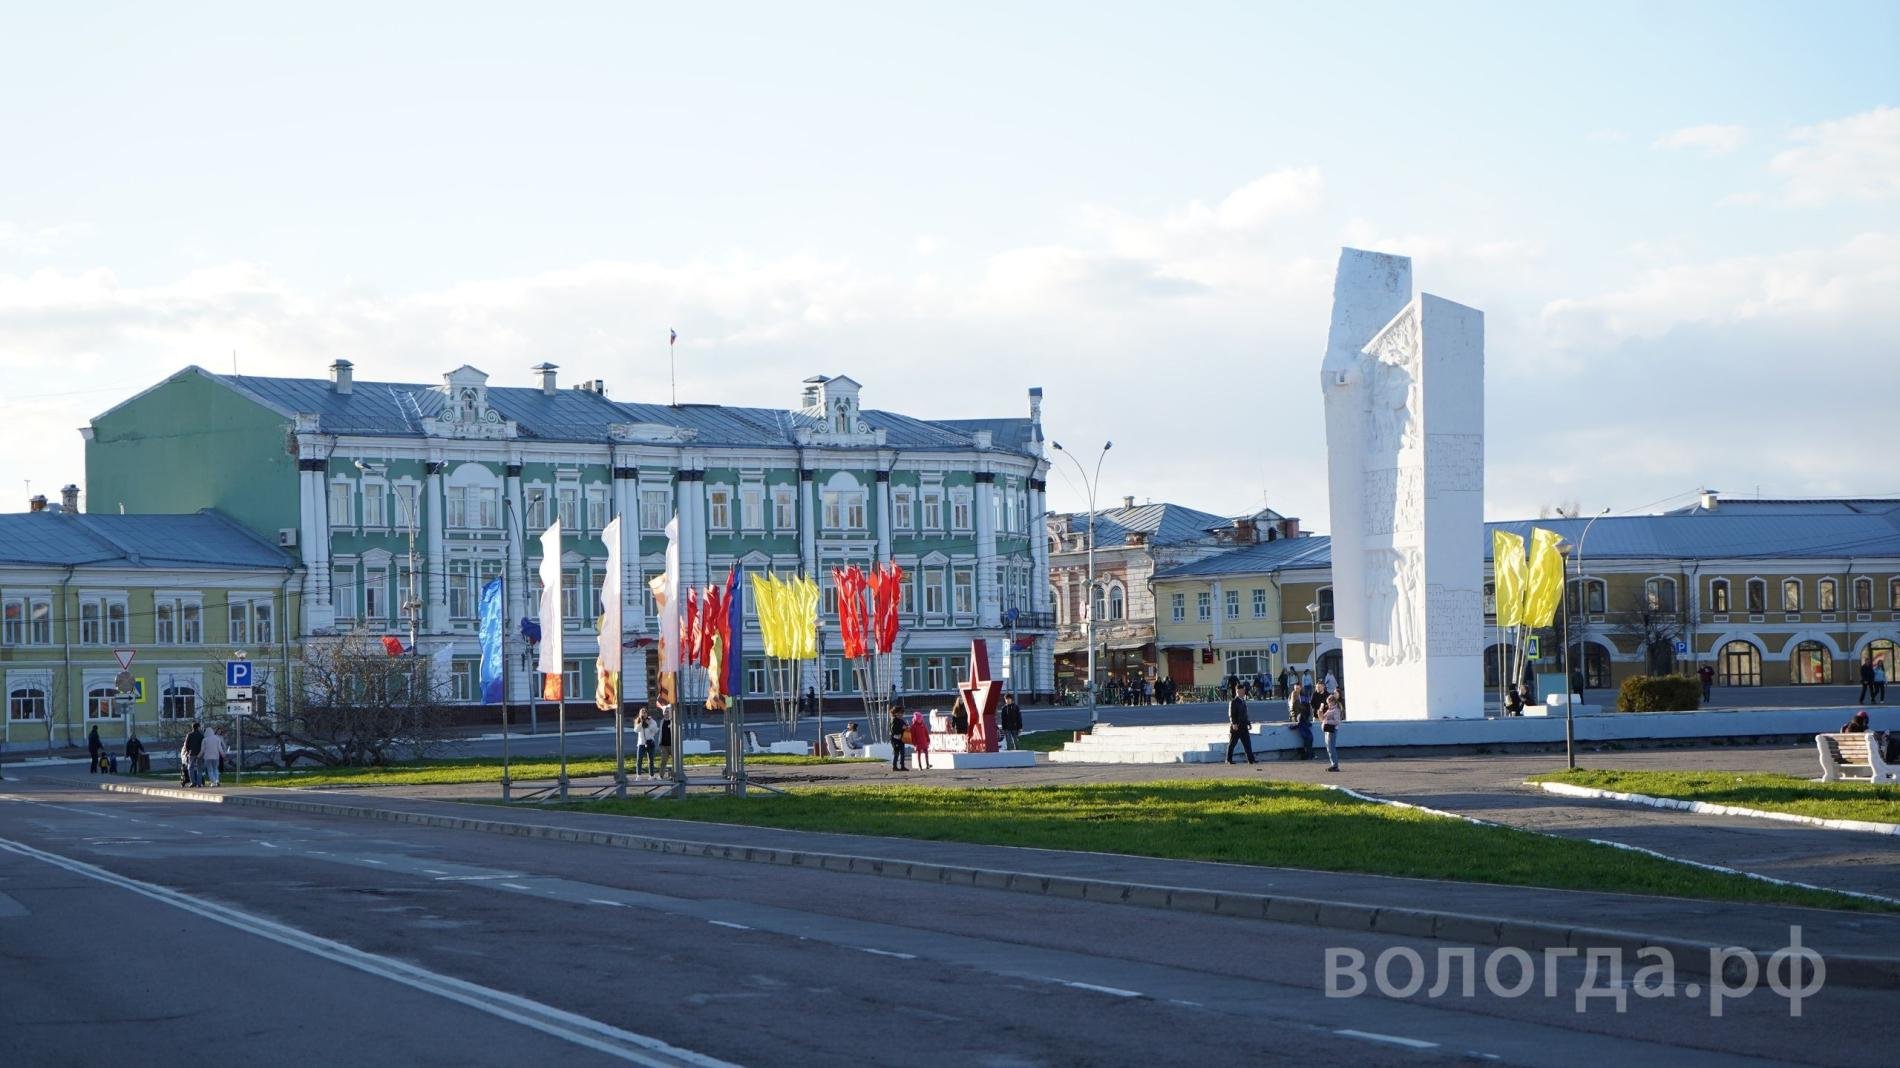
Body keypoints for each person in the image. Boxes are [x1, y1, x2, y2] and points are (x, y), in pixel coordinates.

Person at [1226, 689, 1257, 764]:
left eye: (1244, 691)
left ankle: (1251, 760)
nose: (1243, 693)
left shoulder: (1243, 701)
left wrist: (1248, 723)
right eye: (1242, 691)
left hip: (1244, 726)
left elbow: (1245, 715)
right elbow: (1231, 714)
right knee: (1232, 744)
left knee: (1247, 744)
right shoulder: (1233, 701)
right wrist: (1234, 724)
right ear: (1237, 692)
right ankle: (1228, 760)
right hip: (1236, 726)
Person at [1320, 694, 1345, 772]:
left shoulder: (1336, 710)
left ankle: (1335, 765)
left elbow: (1337, 721)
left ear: (1333, 702)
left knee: (1331, 748)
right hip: (1327, 730)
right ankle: (1333, 764)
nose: (1328, 704)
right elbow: (1323, 718)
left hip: (1332, 730)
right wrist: (1320, 712)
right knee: (1329, 748)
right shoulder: (1330, 709)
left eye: (1329, 703)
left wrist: (1327, 721)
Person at [1287, 686, 1314, 760]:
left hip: (1304, 734)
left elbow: (1295, 724)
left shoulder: (1292, 703)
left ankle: (1307, 756)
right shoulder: (1298, 703)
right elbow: (1307, 722)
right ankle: (1310, 755)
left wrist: (1290, 726)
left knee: (1306, 744)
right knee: (1309, 744)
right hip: (1309, 734)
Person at [633, 709, 660, 778]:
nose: (643, 714)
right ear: (640, 714)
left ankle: (651, 776)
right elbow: (636, 730)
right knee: (639, 760)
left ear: (647, 714)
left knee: (651, 760)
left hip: (650, 743)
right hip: (641, 744)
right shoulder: (638, 721)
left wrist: (649, 724)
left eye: (645, 713)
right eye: (642, 713)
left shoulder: (651, 721)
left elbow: (656, 730)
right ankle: (638, 775)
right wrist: (641, 723)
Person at [183, 721, 205, 787]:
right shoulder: (201, 735)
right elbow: (203, 744)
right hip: (199, 754)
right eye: (199, 727)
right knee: (199, 768)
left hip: (191, 753)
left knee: (190, 768)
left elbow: (186, 744)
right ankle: (199, 783)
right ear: (198, 727)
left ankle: (193, 782)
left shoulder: (189, 735)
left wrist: (187, 751)